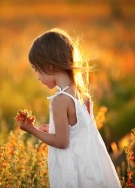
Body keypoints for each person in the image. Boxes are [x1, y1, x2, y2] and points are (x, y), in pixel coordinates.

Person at [18, 28, 121, 188]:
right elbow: (77, 131)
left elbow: (62, 142)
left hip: (74, 170)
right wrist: (52, 128)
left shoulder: (59, 101)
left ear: (50, 66)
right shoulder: (81, 92)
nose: (38, 77)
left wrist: (33, 130)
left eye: (37, 70)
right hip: (91, 166)